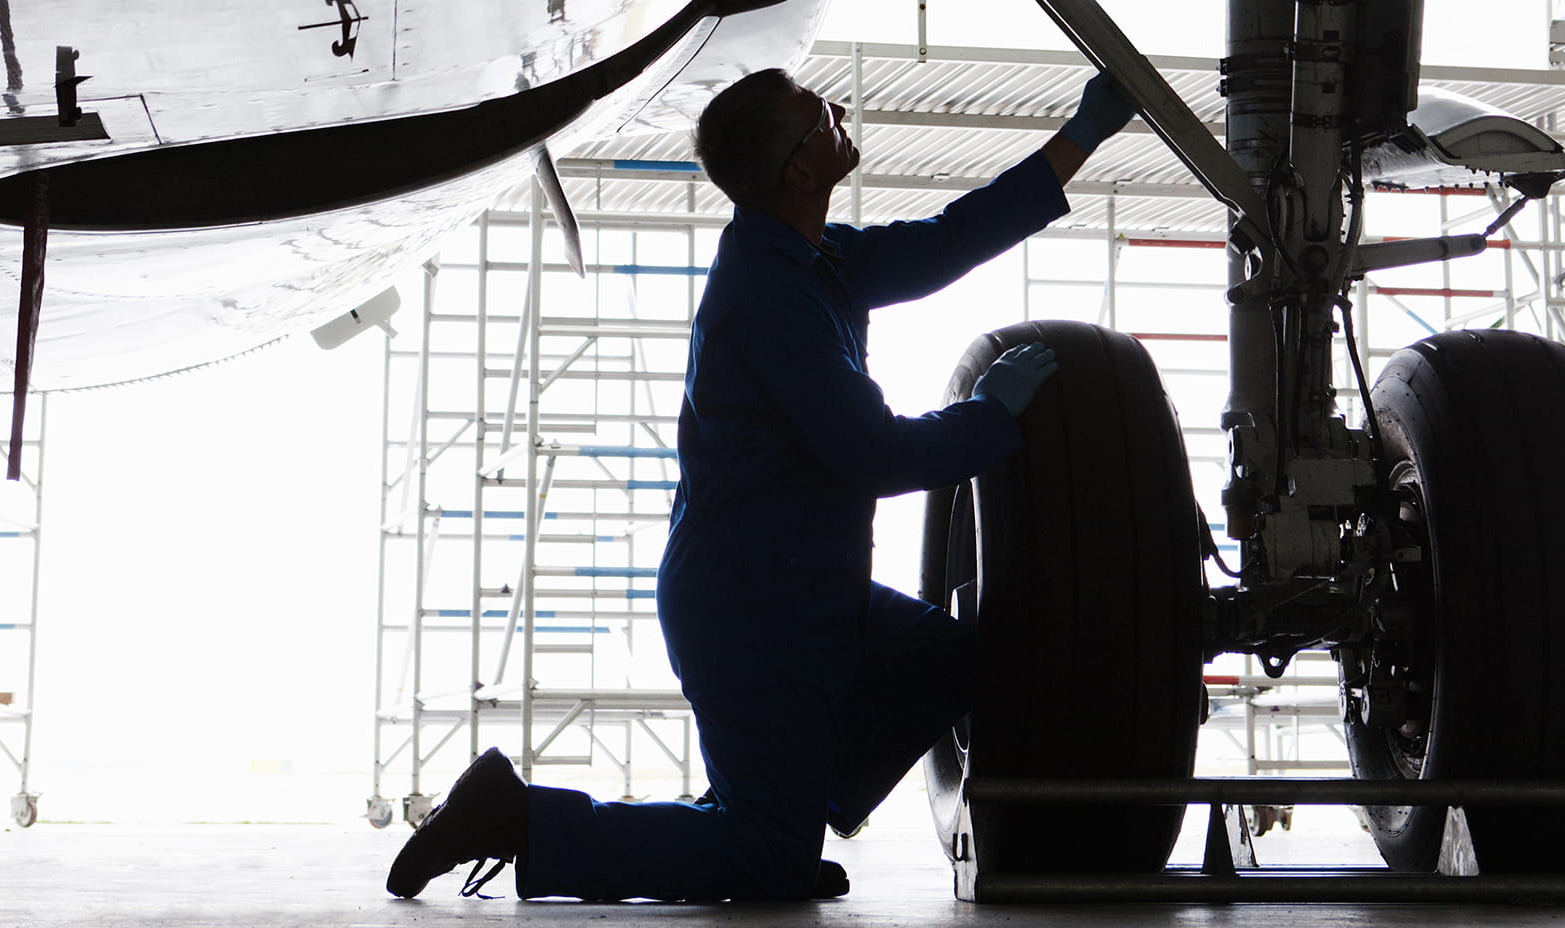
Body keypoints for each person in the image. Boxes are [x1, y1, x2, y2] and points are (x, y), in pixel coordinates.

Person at [385, 66, 1138, 901]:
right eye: (821, 115)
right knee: (765, 865)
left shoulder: (816, 259)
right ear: (799, 169)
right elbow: (874, 455)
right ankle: (519, 816)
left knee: (953, 661)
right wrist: (990, 418)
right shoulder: (770, 299)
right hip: (752, 609)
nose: (841, 112)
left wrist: (1082, 137)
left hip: (810, 591)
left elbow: (945, 242)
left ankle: (772, 815)